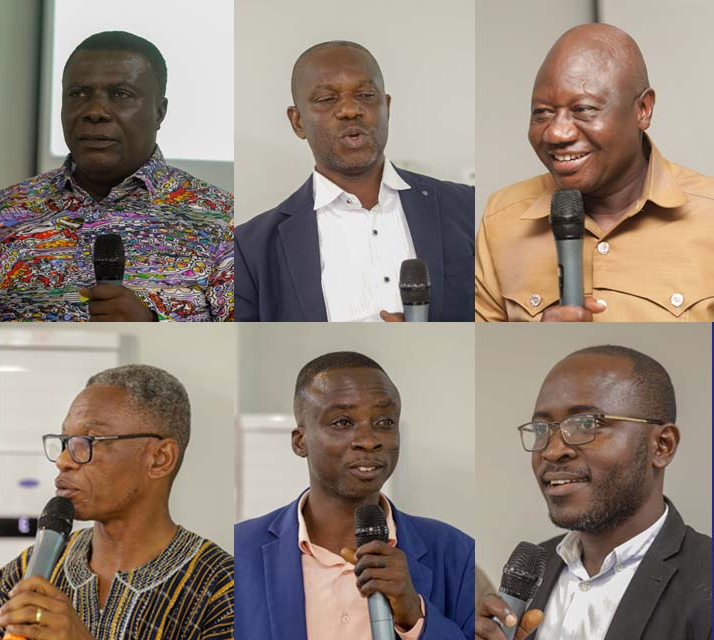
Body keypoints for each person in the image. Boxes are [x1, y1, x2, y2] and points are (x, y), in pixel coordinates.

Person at [475, 24, 714, 322]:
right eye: (543, 112)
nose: (557, 133)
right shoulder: (502, 218)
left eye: (583, 109)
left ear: (643, 109)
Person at [475, 346, 712, 639]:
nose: (552, 450)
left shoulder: (705, 577)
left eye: (587, 424)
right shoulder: (536, 567)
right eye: (541, 429)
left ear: (662, 446)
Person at [0, 31, 234, 322]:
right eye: (78, 94)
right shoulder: (3, 212)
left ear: (160, 112)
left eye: (121, 95)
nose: (95, 112)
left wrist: (151, 324)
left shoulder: (222, 220)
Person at [235, 352, 474, 638]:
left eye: (385, 422)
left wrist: (414, 616)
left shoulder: (456, 552)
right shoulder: (238, 552)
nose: (369, 441)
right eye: (343, 423)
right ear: (301, 442)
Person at [235, 41, 474, 322]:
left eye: (365, 95)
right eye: (327, 99)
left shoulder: (468, 206)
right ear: (297, 122)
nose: (350, 109)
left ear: (386, 107)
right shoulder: (249, 248)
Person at [0, 365, 233, 638]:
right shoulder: (27, 572)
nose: (63, 461)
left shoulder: (221, 587)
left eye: (89, 440)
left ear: (160, 458)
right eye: (65, 441)